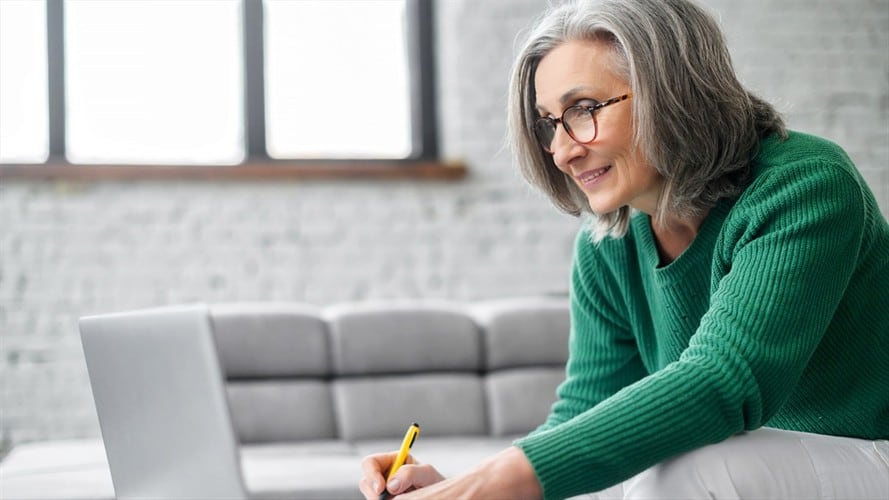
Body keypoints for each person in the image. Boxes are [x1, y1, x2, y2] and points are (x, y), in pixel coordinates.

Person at [359, 0, 889, 498]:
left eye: (583, 109)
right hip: (767, 466)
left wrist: (491, 483)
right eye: (548, 124)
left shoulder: (804, 185)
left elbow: (723, 383)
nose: (561, 151)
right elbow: (586, 410)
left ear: (673, 93)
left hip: (871, 448)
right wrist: (461, 486)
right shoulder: (609, 242)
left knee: (688, 468)